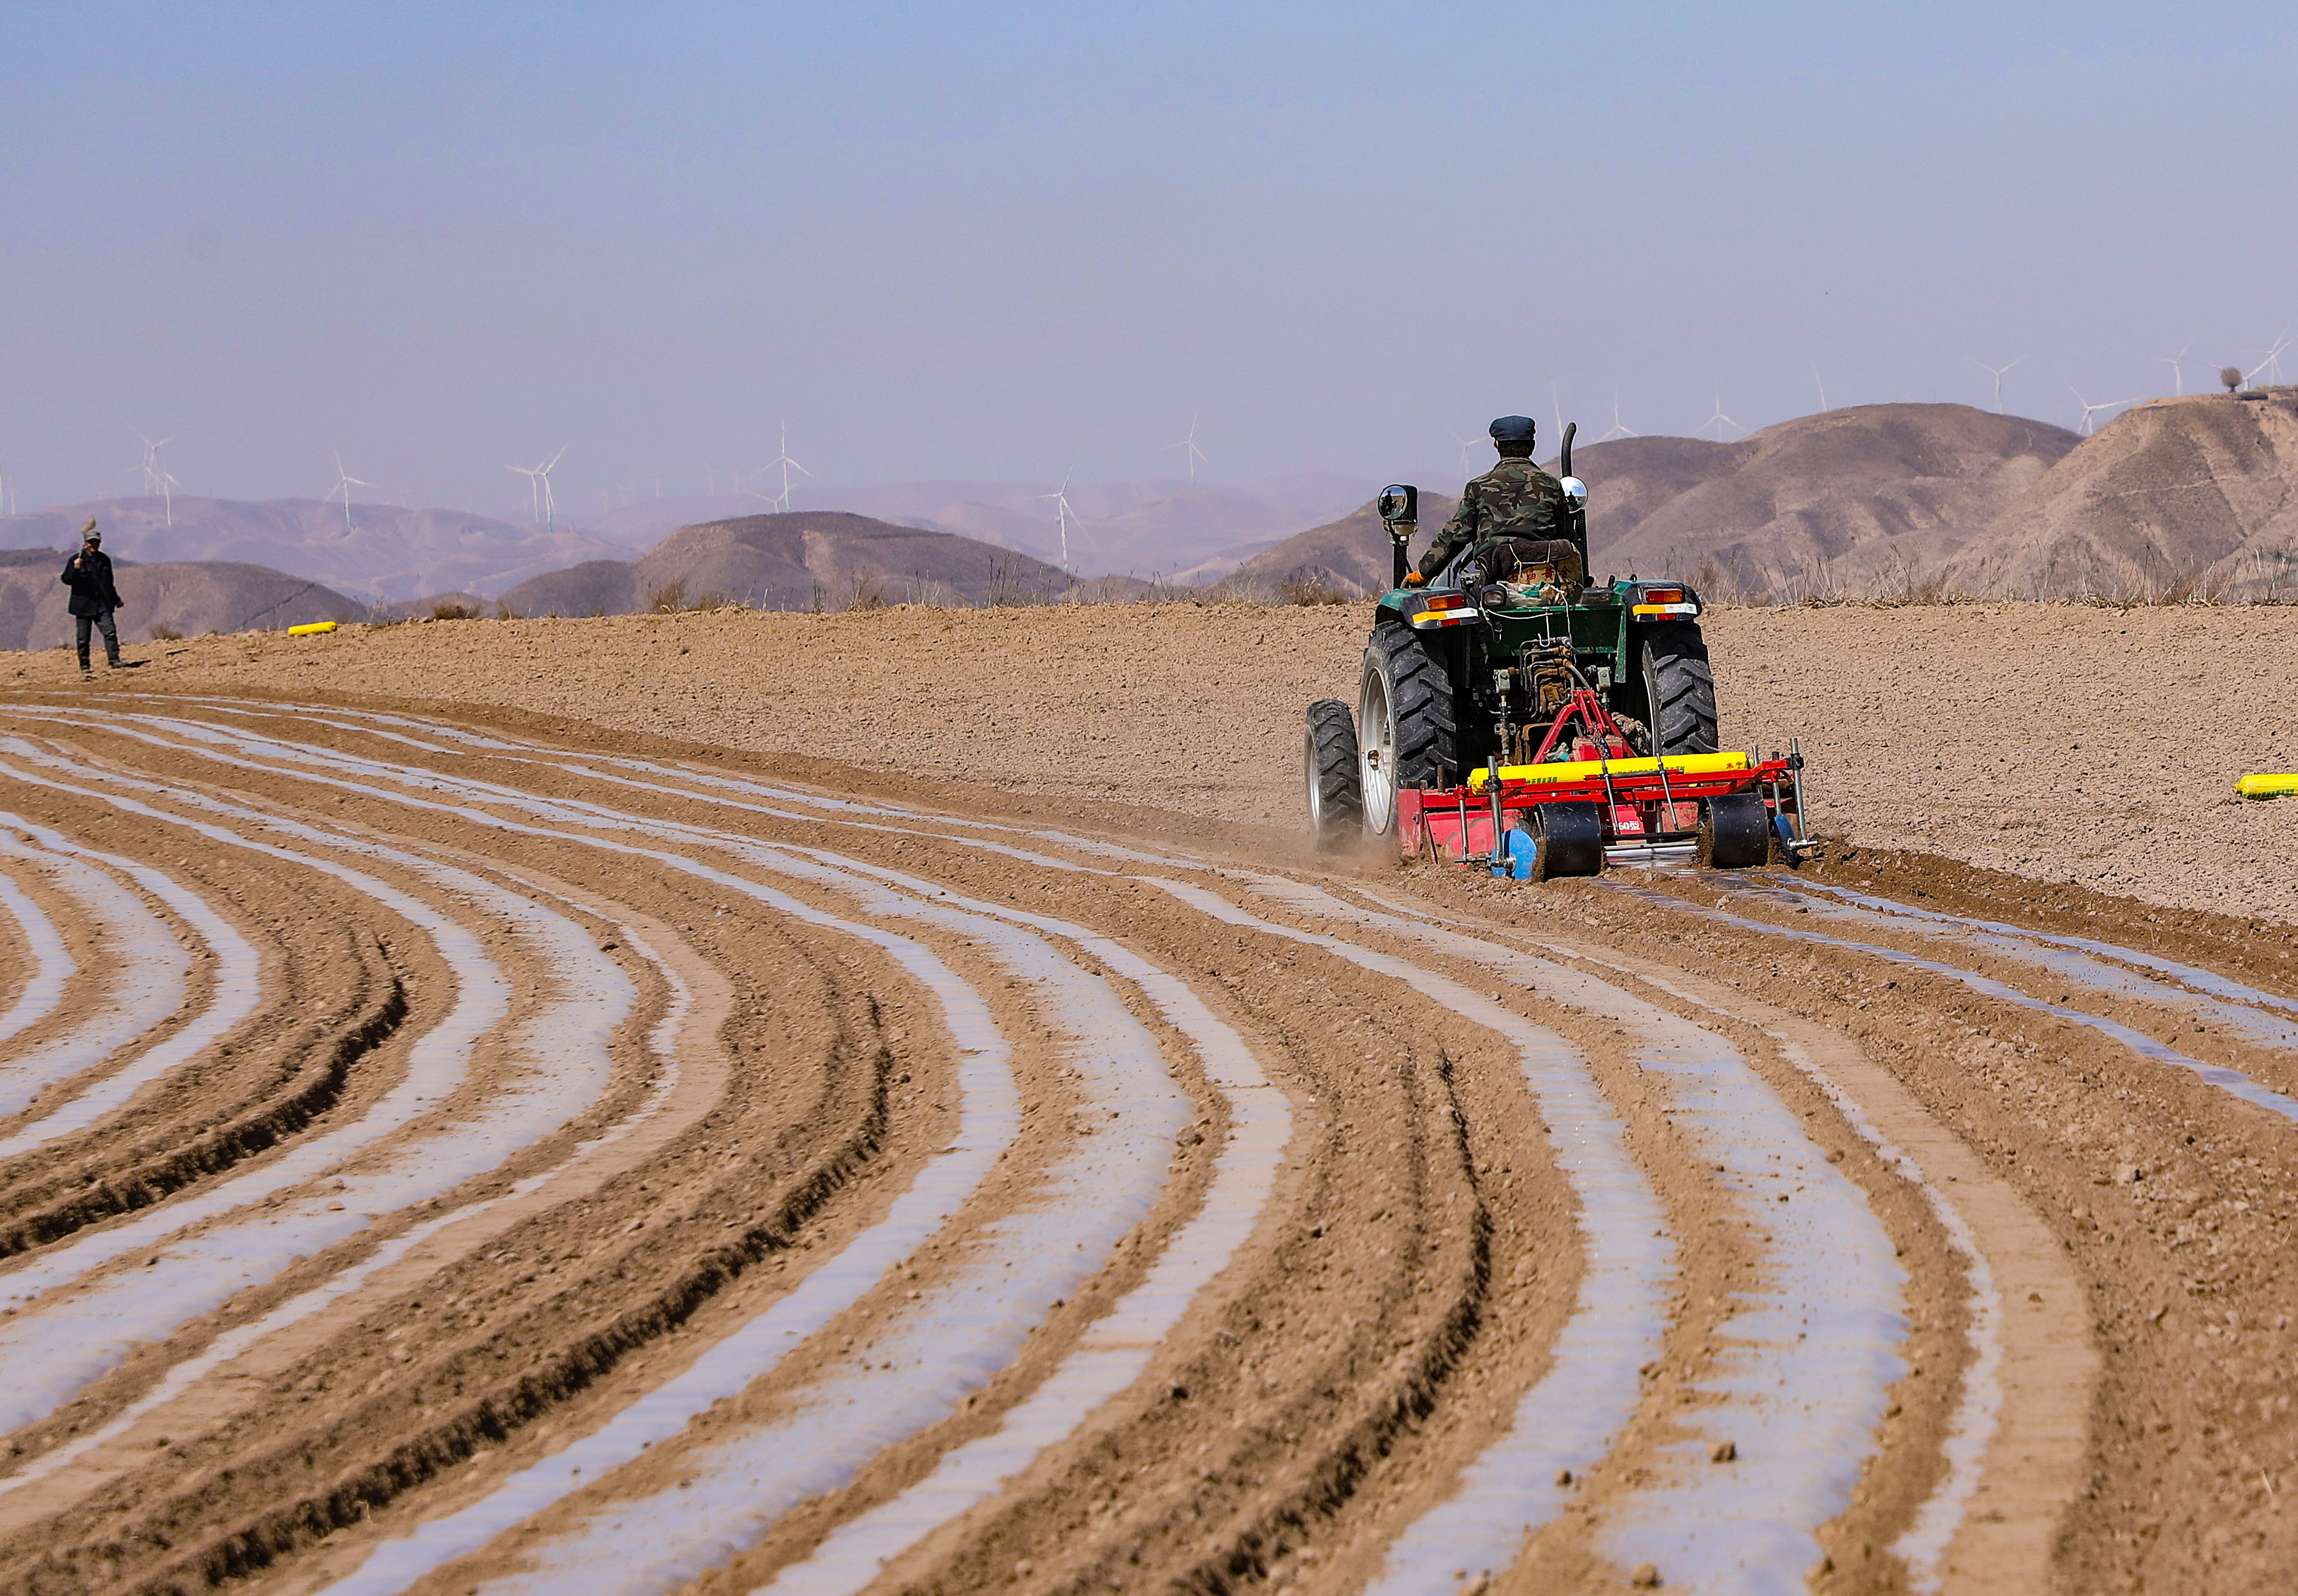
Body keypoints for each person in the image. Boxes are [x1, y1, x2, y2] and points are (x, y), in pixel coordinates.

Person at [1408, 414, 1568, 586]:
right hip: (1544, 580)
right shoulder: (1551, 485)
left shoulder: (1479, 487)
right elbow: (1565, 535)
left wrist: (1424, 574)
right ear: (1533, 445)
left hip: (1492, 581)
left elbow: (1455, 536)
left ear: (1497, 445)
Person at [60, 519, 126, 674]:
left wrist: (115, 599)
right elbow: (66, 580)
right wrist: (75, 569)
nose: (94, 545)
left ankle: (114, 660)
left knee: (110, 632)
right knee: (84, 638)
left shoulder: (104, 560)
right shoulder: (77, 560)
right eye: (91, 542)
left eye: (96, 542)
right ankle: (85, 665)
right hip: (83, 605)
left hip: (102, 603)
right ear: (86, 543)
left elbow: (108, 582)